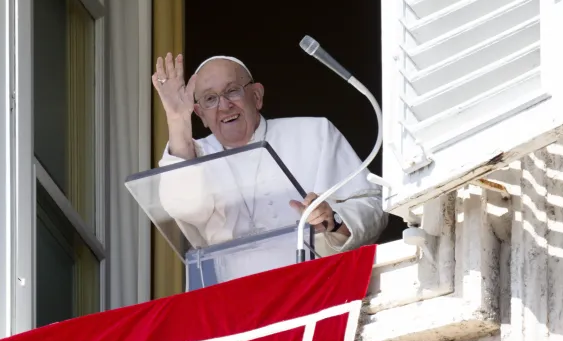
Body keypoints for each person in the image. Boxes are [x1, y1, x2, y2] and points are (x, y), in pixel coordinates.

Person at [152, 52, 387, 283]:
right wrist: (177, 121)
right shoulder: (194, 156)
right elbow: (183, 208)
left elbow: (373, 205)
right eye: (210, 99)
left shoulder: (315, 133)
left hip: (316, 286)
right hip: (237, 303)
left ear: (256, 96)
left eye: (232, 90)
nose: (224, 106)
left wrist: (334, 220)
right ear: (200, 114)